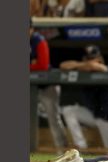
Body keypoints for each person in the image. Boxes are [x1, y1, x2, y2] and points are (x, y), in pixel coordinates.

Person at [60, 45, 108, 153]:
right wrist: (84, 64)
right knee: (69, 111)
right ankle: (81, 147)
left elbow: (101, 67)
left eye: (94, 58)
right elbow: (63, 65)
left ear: (100, 59)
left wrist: (88, 64)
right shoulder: (83, 71)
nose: (91, 61)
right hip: (94, 114)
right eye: (89, 58)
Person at [30, 19, 68, 153]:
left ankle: (62, 150)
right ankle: (31, 149)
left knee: (53, 118)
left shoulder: (39, 41)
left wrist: (33, 65)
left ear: (31, 29)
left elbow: (43, 65)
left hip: (47, 86)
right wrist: (33, 65)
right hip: (31, 87)